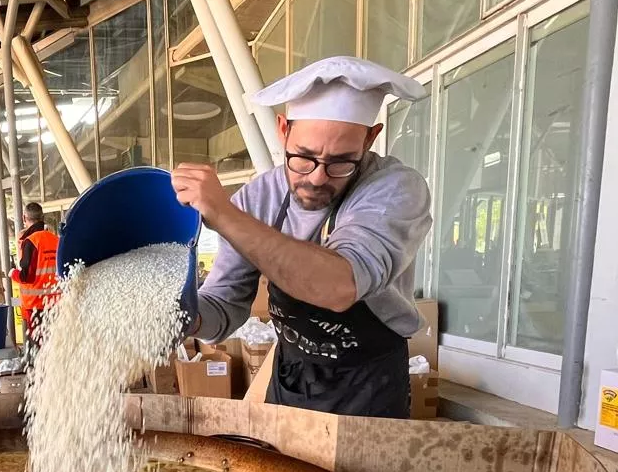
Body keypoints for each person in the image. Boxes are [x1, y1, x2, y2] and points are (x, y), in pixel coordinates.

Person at [172, 56, 431, 419]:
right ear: (283, 130)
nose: (318, 178)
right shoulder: (259, 198)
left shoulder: (394, 190)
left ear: (371, 138)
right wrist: (184, 316)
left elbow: (339, 286)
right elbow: (224, 305)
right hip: (291, 376)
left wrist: (225, 215)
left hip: (367, 385)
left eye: (342, 161)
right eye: (303, 158)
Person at [10, 202, 60, 344]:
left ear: (24, 218)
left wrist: (13, 273)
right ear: (42, 217)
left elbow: (27, 276)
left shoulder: (30, 241)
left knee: (38, 344)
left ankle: (39, 366)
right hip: (55, 302)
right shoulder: (56, 240)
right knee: (53, 343)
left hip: (35, 305)